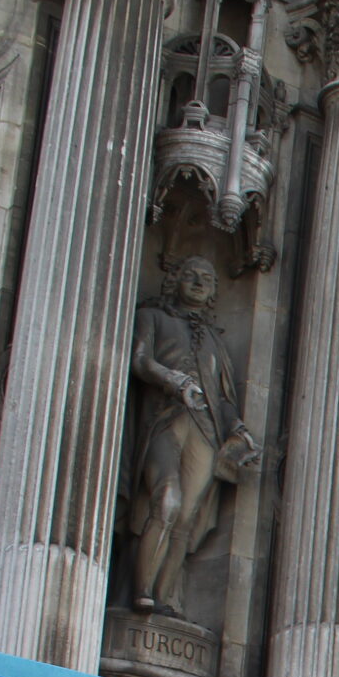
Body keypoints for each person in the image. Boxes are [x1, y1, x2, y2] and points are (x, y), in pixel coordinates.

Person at [123, 256, 258, 618]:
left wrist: (238, 430)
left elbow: (223, 398)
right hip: (163, 421)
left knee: (187, 516)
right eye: (190, 275)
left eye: (207, 279)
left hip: (205, 430)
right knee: (166, 501)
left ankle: (164, 598)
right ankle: (140, 590)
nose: (199, 283)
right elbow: (138, 360)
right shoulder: (153, 318)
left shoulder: (214, 339)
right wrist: (173, 380)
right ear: (174, 280)